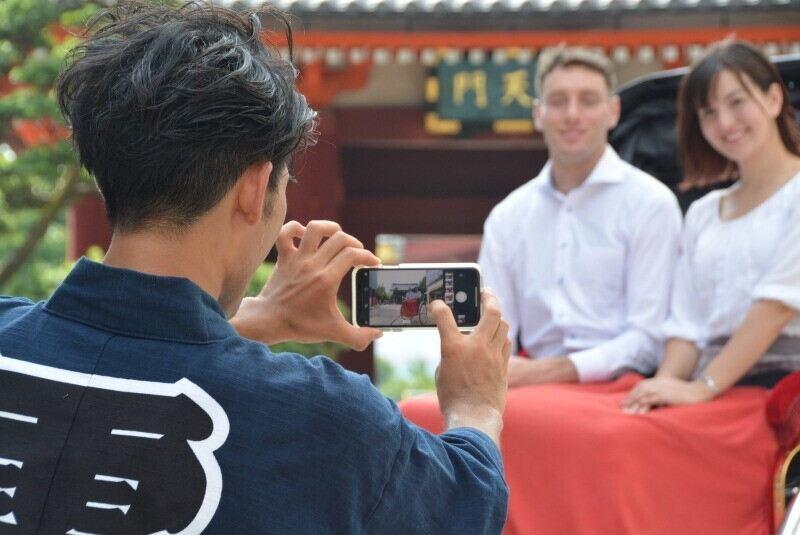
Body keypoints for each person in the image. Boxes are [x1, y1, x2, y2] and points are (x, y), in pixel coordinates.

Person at [0, 3, 511, 533]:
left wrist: (259, 319)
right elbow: (463, 503)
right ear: (252, 188)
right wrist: (476, 406)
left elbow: (117, 351)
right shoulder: (326, 419)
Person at [404, 40, 800, 535]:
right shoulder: (702, 213)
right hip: (668, 380)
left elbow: (772, 309)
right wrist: (670, 385)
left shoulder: (655, 204)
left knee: (609, 438)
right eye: (709, 111)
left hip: (758, 383)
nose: (724, 122)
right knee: (412, 416)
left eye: (736, 102)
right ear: (537, 112)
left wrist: (698, 387)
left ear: (774, 99)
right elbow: (685, 325)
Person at [479, 46, 682, 387]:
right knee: (421, 414)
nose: (572, 114)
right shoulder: (507, 217)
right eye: (558, 101)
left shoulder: (651, 204)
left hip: (619, 385)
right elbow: (493, 330)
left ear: (613, 111)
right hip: (525, 380)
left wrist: (549, 373)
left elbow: (648, 338)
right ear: (538, 113)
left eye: (588, 100)